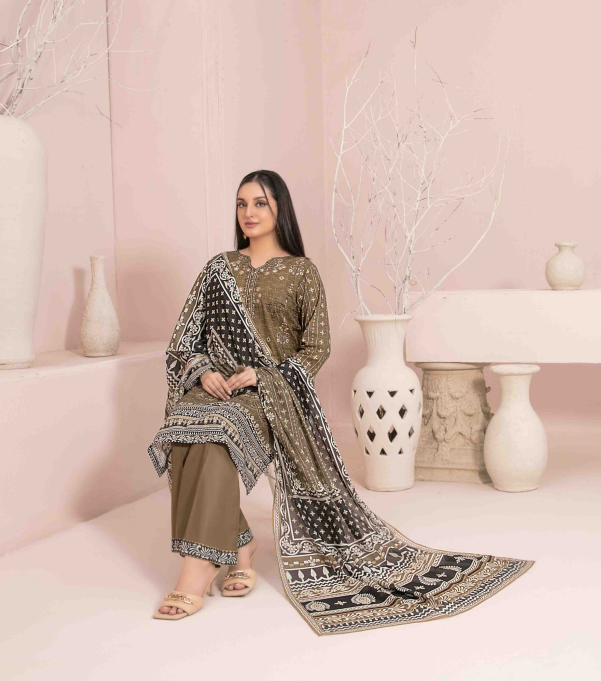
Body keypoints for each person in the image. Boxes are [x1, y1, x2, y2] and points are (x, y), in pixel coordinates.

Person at [148, 170, 535, 634]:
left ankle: (196, 571)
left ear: (279, 209)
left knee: (216, 437)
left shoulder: (301, 272)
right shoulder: (218, 269)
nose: (248, 213)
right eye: (241, 204)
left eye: (260, 203)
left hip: (270, 394)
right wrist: (203, 371)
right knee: (182, 430)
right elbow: (184, 339)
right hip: (215, 386)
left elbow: (316, 348)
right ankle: (240, 544)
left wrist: (265, 375)